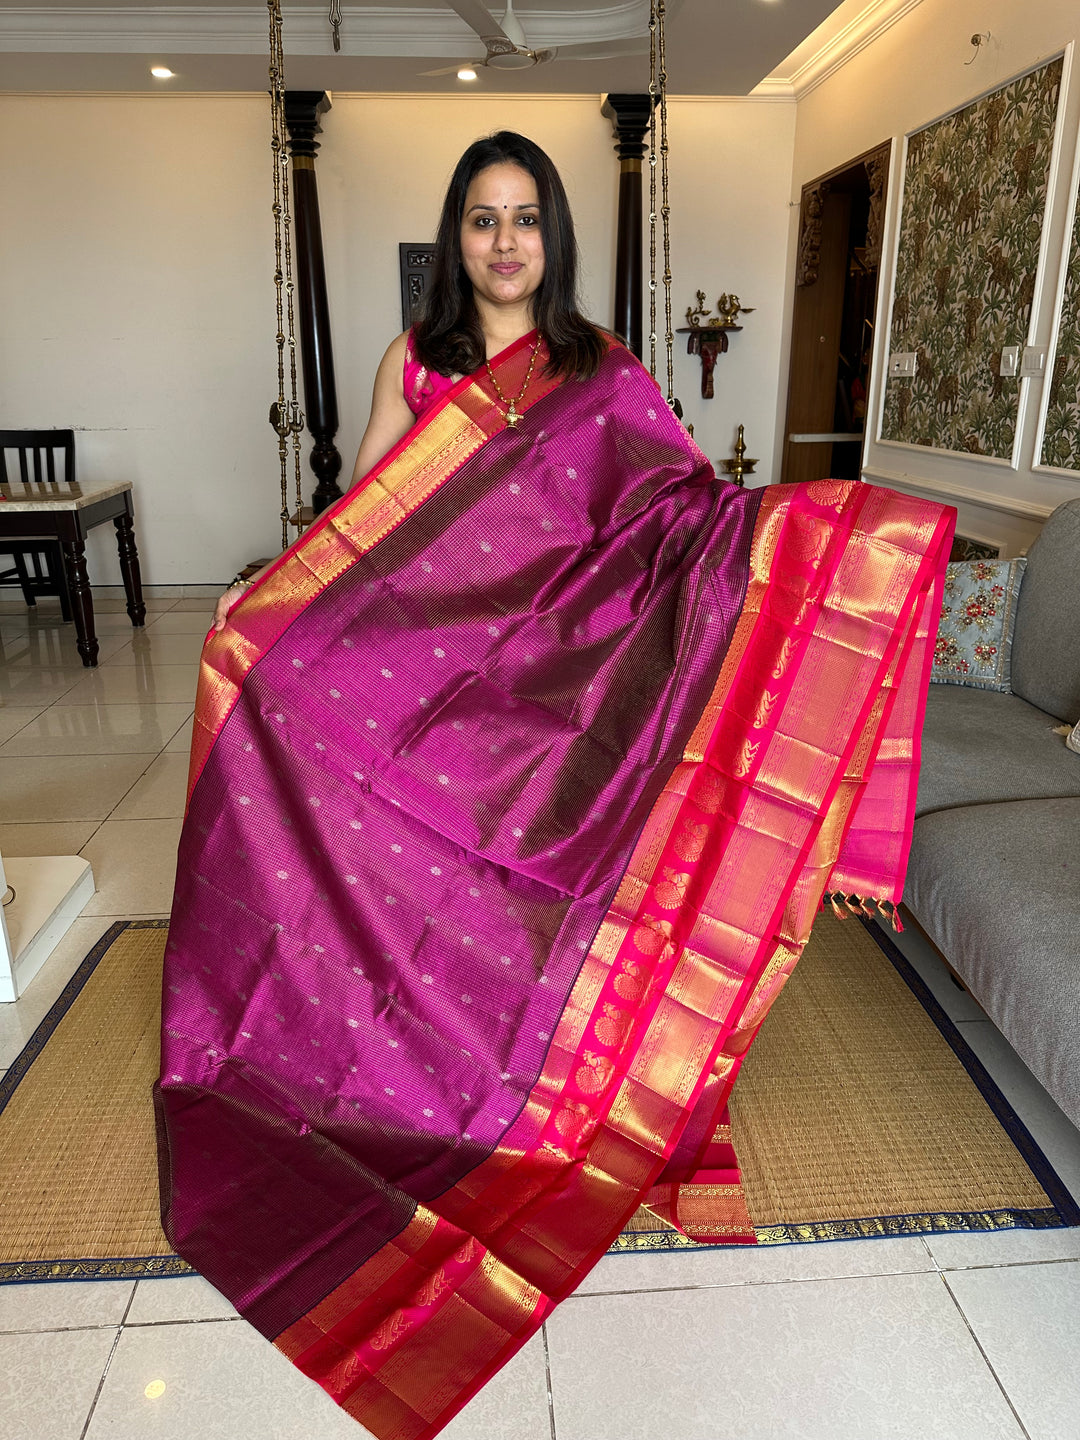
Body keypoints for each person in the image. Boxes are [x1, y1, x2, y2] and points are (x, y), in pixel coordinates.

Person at [163, 132, 954, 1440]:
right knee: (272, 691)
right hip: (426, 671)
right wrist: (265, 610)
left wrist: (826, 537)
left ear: (555, 237)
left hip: (554, 681)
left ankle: (521, 1050)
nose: (506, 241)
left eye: (527, 218)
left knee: (538, 867)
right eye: (483, 218)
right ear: (455, 235)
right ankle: (354, 1040)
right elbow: (360, 512)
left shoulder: (601, 371)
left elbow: (681, 517)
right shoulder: (411, 365)